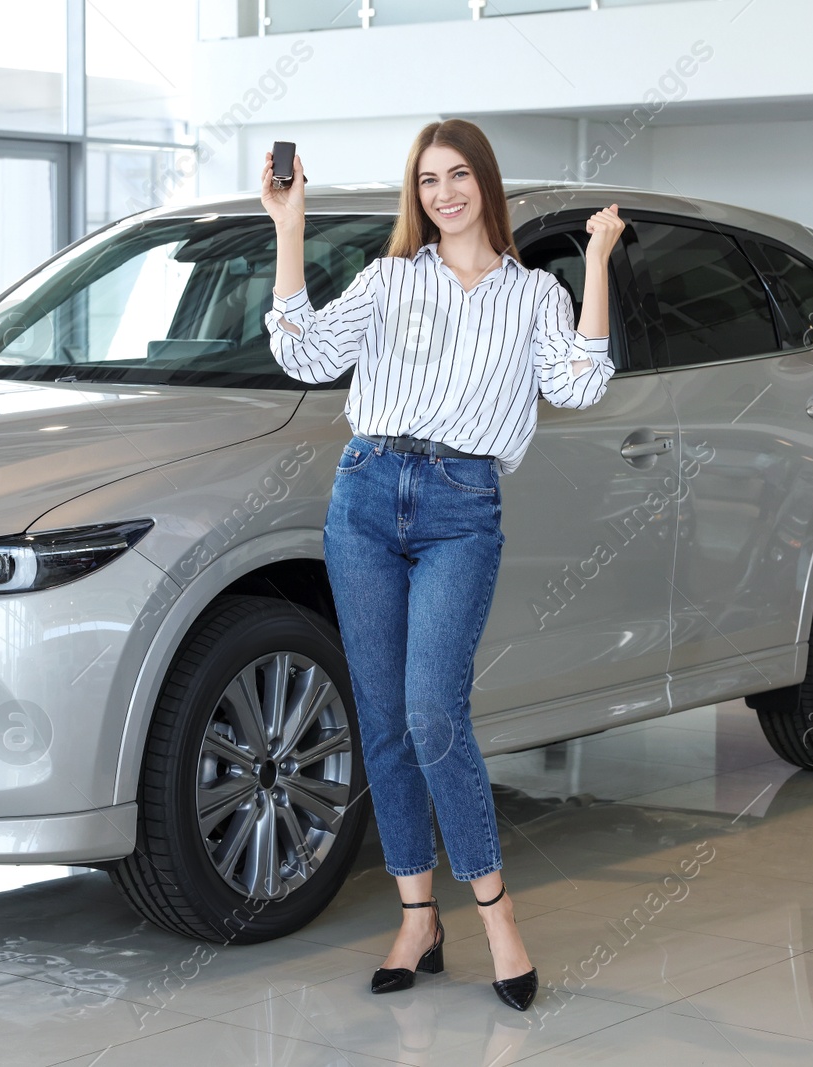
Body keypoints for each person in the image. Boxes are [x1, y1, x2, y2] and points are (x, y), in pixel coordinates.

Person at [259, 119, 623, 1012]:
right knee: (382, 717)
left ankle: (498, 916)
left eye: (459, 175)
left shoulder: (534, 294)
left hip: (463, 504)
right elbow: (302, 353)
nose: (444, 193)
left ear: (486, 185)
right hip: (367, 493)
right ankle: (419, 918)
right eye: (427, 180)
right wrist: (288, 226)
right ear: (414, 194)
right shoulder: (388, 280)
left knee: (433, 712)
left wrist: (600, 262)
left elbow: (580, 381)